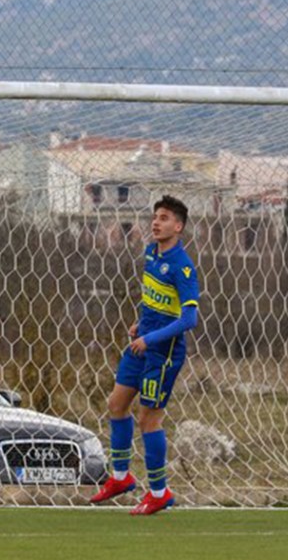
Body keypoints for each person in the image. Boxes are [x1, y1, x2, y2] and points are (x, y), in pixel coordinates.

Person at [90, 196, 200, 515]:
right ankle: (121, 478)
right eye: (154, 217)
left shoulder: (182, 265)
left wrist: (152, 337)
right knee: (116, 404)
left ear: (177, 227)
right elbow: (155, 300)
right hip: (142, 343)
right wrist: (142, 322)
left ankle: (159, 492)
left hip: (163, 354)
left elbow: (189, 319)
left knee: (148, 419)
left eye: (164, 218)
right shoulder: (151, 252)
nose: (156, 222)